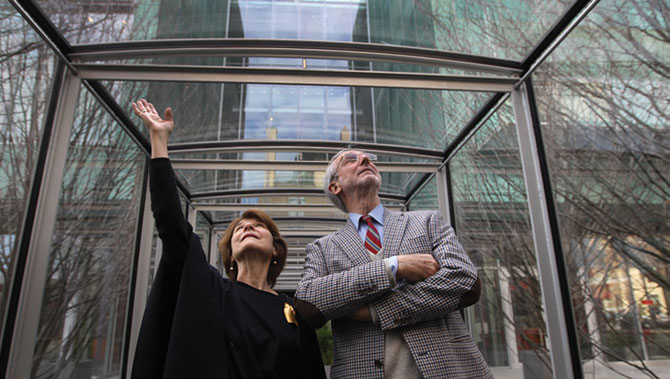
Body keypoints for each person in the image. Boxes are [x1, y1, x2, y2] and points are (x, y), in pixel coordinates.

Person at [130, 99, 325, 378]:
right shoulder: (213, 291)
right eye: (239, 228)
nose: (247, 227)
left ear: (275, 251)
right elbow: (171, 227)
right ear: (230, 254)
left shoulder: (294, 310)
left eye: (259, 225)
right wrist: (159, 141)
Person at [295, 149, 492, 378]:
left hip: (448, 370)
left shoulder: (427, 221)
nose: (366, 159)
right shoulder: (322, 248)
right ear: (335, 187)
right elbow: (308, 302)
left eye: (369, 158)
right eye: (351, 159)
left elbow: (465, 281)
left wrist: (375, 311)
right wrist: (393, 267)